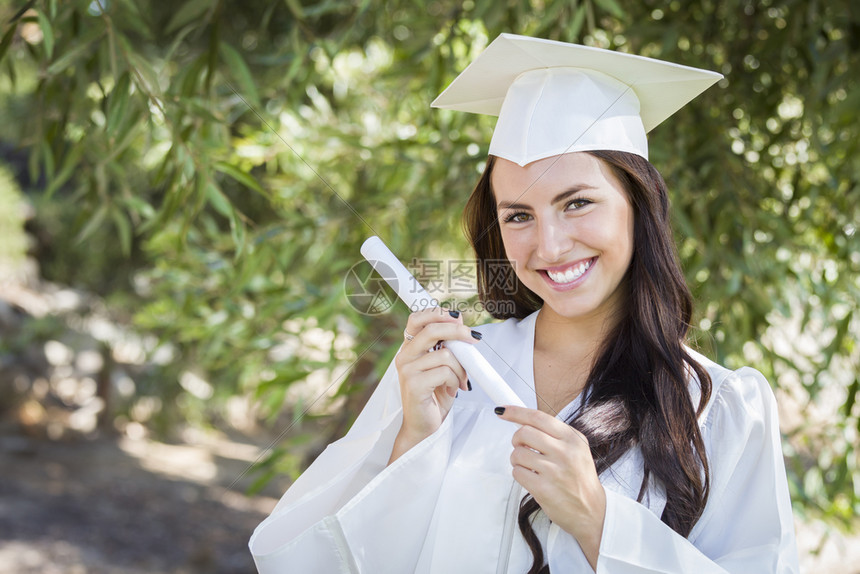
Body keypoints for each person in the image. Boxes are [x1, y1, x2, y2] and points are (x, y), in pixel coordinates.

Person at [249, 33, 799, 573]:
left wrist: (596, 519)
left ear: (639, 204)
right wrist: (414, 441)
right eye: (518, 215)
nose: (549, 246)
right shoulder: (452, 370)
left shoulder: (721, 408)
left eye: (578, 202)